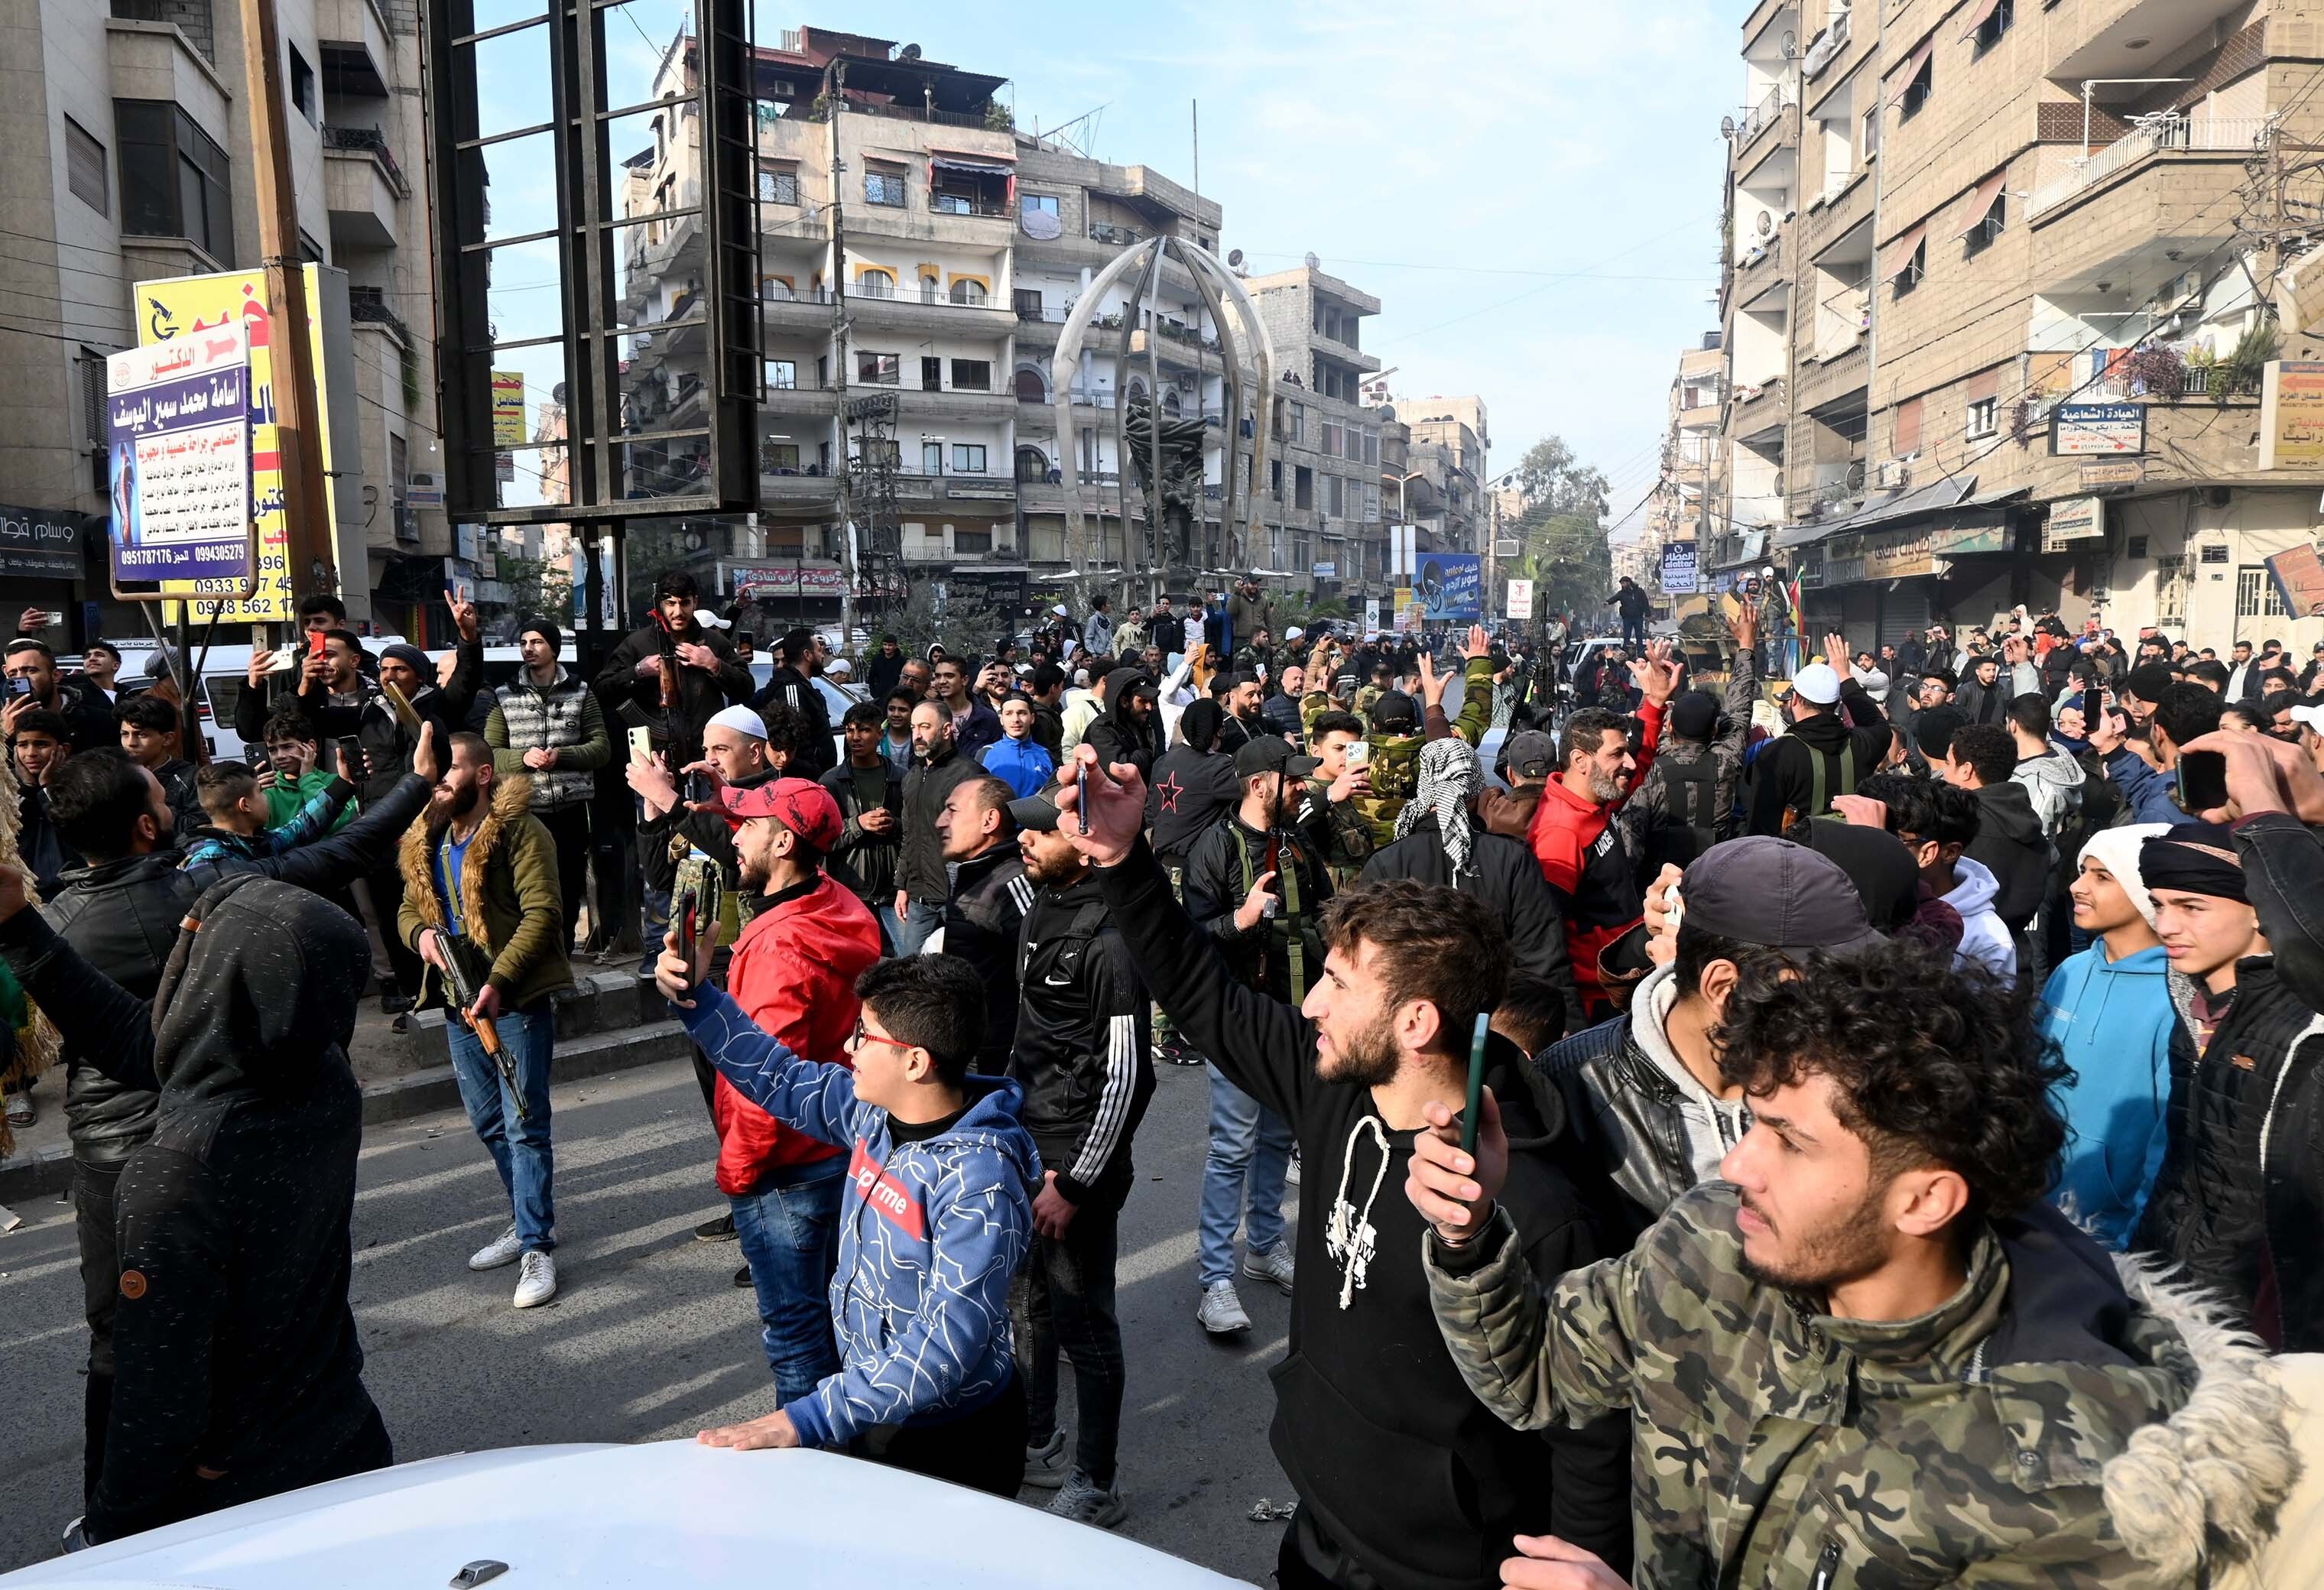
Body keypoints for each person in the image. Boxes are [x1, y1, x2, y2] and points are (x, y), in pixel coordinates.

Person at [1407, 934, 2296, 1590]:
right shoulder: (1715, 1242)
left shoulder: (2067, 1475)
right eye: (1752, 1121)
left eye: (1788, 1141)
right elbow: (1534, 1375)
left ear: (1925, 1199)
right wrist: (1471, 1233)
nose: (1738, 1166)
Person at [1058, 753, 1631, 1586]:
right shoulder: (1331, 1083)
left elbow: (1586, 1426)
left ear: (1415, 1020)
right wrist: (1122, 858)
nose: (1312, 1004)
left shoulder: (1533, 1206)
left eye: (1335, 983)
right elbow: (1201, 993)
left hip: (1441, 1568)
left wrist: (1583, 1562)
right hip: (1318, 1529)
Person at [0, 868, 393, 1549]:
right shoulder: (316, 1073)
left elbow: (159, 1389)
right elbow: (150, 1042)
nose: (184, 952)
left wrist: (115, 1526)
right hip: (339, 1425)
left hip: (244, 1490)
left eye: (197, 944)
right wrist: (19, 926)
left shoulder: (178, 1172)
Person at [662, 946, 1037, 1498]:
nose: (848, 1047)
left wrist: (808, 1418)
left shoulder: (979, 1182)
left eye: (864, 1036)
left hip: (952, 1439)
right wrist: (697, 998)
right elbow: (778, 1076)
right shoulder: (874, 1114)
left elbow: (946, 1342)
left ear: (916, 1062)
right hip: (872, 1408)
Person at [1543, 836, 1887, 1242]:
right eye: (1819, 990)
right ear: (1724, 989)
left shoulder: (1850, 1074)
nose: (1842, 1009)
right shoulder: (1568, 1097)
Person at [705, 777, 884, 1407]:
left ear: (783, 841)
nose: (735, 836)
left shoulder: (780, 943)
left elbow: (765, 1080)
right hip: (842, 1150)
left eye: (747, 825)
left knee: (796, 1336)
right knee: (843, 1320)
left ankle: (811, 1474)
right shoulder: (840, 903)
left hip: (785, 1171)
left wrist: (740, 1170)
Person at [1005, 784, 1153, 1523]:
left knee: (1082, 1320)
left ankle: (1095, 1480)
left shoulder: (1110, 937)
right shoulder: (1039, 904)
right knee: (1029, 1306)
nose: (1024, 840)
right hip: (1028, 1140)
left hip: (1075, 1161)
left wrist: (1078, 1180)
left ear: (1082, 841)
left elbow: (1129, 1072)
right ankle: (1036, 1443)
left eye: (1040, 831)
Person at [401, 732, 575, 1309]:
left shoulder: (520, 831)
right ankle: (523, 1217)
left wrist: (499, 982)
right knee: (487, 1121)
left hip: (514, 1001)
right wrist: (421, 935)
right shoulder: (428, 837)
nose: (439, 781)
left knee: (525, 1122)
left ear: (480, 774)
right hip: (457, 1001)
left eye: (449, 769)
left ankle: (536, 1245)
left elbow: (543, 912)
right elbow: (409, 906)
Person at [2133, 824, 2324, 1351]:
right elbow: (2184, 1167)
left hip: (2259, 1324)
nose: (2165, 924)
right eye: (2157, 903)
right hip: (2171, 1293)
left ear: (2260, 910)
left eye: (2192, 907)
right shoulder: (2190, 1008)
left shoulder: (2307, 1032)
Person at [1182, 736, 1329, 1338]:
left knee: (1277, 1138)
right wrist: (1237, 923)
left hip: (1295, 1022)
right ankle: (1214, 1279)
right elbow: (1186, 939)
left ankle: (1264, 1247)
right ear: (1258, 784)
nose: (1302, 787)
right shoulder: (1212, 848)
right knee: (1232, 1146)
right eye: (1292, 779)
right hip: (1238, 1022)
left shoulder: (1297, 843)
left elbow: (1324, 910)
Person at [1362, 736, 1582, 1034]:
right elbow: (1545, 960)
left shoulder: (1384, 864)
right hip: (1496, 1034)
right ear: (1477, 793)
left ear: (1425, 791)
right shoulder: (1511, 859)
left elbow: (1368, 964)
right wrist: (1567, 1037)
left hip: (1410, 1031)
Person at [2038, 823, 2176, 1251]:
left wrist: (2135, 1232)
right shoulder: (2070, 970)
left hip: (2109, 1233)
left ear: (2143, 893)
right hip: (2032, 1204)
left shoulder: (2175, 998)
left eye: (2102, 877)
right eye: (2082, 872)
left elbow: (2167, 1136)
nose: (2077, 887)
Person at [1527, 650, 1680, 1021]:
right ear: (1581, 761)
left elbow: (1636, 766)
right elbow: (1546, 936)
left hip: (1621, 978)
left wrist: (1655, 702)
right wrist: (1568, 1017)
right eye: (1617, 755)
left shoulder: (1592, 802)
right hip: (1595, 1002)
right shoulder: (1561, 832)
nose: (1628, 763)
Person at [485, 615, 612, 952]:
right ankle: (532, 952)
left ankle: (564, 950)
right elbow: (490, 753)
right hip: (524, 810)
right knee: (526, 886)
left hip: (571, 809)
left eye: (537, 642)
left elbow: (601, 748)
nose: (529, 648)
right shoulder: (505, 695)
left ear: (553, 648)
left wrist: (563, 756)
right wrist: (523, 759)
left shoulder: (580, 692)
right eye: (525, 642)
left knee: (568, 886)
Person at [1622, 608, 1758, 869]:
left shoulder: (1652, 767)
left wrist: (1653, 694)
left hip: (1658, 886)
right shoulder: (1726, 761)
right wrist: (1746, 646)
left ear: (1670, 727)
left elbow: (1631, 837)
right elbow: (1740, 706)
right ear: (1715, 732)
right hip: (1716, 876)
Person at [1852, 771, 2016, 980]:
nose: (1865, 850)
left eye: (1890, 840)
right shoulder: (1849, 892)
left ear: (1942, 852)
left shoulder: (1988, 940)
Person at [596, 573, 755, 767]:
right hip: (654, 762)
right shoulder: (637, 644)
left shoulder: (714, 642)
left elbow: (746, 689)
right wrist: (638, 671)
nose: (678, 612)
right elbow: (601, 691)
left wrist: (714, 665)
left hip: (707, 759)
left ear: (695, 602)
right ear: (659, 605)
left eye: (685, 603)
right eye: (670, 603)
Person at [1744, 634, 1891, 836]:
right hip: (1854, 856)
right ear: (1838, 703)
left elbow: (1761, 830)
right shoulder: (1863, 744)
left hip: (1797, 862)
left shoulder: (1776, 755)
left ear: (1794, 699)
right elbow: (1876, 722)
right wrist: (1845, 675)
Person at [935, 776, 1031, 1074]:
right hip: (963, 1048)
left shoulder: (1012, 882)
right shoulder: (973, 874)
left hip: (995, 1061)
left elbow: (1042, 973)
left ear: (989, 820)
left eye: (952, 810)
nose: (941, 822)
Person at [1943, 722, 2051, 969]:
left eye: (1949, 763)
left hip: (1969, 959)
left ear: (1966, 770)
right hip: (2017, 956)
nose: (1944, 773)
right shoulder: (2031, 824)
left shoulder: (1966, 828)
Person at [894, 699, 983, 956]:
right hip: (920, 897)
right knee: (910, 972)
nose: (917, 735)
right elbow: (909, 834)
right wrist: (902, 886)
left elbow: (981, 839)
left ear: (946, 731)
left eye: (925, 727)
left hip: (958, 897)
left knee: (964, 968)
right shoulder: (911, 777)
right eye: (913, 728)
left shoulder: (969, 774)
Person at [174, 759, 357, 874]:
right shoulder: (208, 863)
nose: (265, 798)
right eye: (260, 793)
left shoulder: (255, 842)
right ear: (245, 805)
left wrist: (342, 786)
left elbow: (300, 827)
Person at [821, 702, 902, 921]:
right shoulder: (831, 781)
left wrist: (894, 824)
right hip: (849, 890)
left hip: (894, 891)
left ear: (879, 734)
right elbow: (821, 839)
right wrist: (858, 824)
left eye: (864, 730)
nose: (855, 737)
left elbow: (918, 830)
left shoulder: (902, 777)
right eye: (850, 730)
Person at [4, 638, 116, 753]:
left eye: (31, 671)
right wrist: (4, 737)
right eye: (13, 674)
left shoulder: (98, 721)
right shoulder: (7, 726)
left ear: (56, 676)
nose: (20, 679)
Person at [113, 693, 200, 836]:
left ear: (167, 739)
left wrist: (155, 804)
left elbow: (198, 828)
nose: (130, 743)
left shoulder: (190, 778)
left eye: (142, 735)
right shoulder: (113, 776)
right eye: (125, 734)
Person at [754, 628, 835, 780]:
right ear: (807, 655)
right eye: (819, 650)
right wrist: (814, 774)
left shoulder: (805, 688)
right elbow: (794, 743)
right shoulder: (792, 689)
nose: (822, 655)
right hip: (805, 783)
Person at [13, 706, 76, 896]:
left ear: (63, 749)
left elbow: (70, 826)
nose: (31, 753)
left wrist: (46, 786)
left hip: (71, 889)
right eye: (23, 745)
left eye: (40, 744)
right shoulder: (11, 790)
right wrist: (29, 788)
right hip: (29, 893)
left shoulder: (81, 785)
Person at [1084, 670, 1164, 782]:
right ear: (1124, 702)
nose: (1149, 707)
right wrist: (1148, 753)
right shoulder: (1101, 731)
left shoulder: (1141, 722)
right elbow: (1121, 770)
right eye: (1143, 701)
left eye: (1151, 701)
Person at [977, 695, 1056, 797]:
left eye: (1022, 713)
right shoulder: (986, 754)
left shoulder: (1046, 755)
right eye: (1009, 714)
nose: (1015, 719)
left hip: (1035, 812)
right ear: (1001, 719)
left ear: (1032, 718)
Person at [930, 656, 1001, 759]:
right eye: (937, 676)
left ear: (964, 680)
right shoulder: (928, 715)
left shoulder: (987, 718)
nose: (941, 681)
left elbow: (997, 758)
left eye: (949, 676)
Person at [1608, 575, 1648, 651]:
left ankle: (1640, 652)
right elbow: (1614, 598)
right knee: (1627, 636)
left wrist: (1648, 614)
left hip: (1638, 617)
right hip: (1627, 617)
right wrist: (1607, 602)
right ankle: (1626, 651)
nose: (1622, 585)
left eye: (1624, 583)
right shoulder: (1622, 593)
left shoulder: (1639, 591)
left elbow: (1645, 602)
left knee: (1639, 636)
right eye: (1621, 584)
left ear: (1628, 583)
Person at [865, 634, 905, 700]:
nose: (887, 647)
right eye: (885, 644)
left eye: (890, 645)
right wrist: (874, 693)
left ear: (895, 646)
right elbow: (871, 679)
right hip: (879, 696)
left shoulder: (902, 661)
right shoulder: (876, 659)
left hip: (895, 696)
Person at [1083, 593, 1115, 657]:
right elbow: (1088, 638)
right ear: (1103, 606)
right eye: (1108, 604)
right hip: (1095, 655)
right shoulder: (1093, 620)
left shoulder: (1107, 621)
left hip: (1106, 655)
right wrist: (1092, 653)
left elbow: (1110, 639)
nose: (1110, 606)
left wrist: (1107, 652)